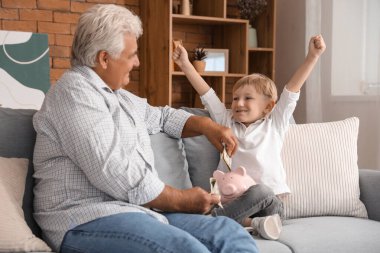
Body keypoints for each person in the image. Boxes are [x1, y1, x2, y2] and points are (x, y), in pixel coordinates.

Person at [32, 4, 259, 253]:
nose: (137, 63)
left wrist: (206, 126)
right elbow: (114, 171)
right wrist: (181, 199)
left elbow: (161, 117)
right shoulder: (74, 93)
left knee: (229, 233)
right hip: (84, 220)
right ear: (104, 58)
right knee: (187, 249)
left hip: (138, 212)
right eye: (131, 55)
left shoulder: (120, 97)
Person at [173, 34, 326, 240]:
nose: (238, 103)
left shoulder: (275, 123)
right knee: (214, 198)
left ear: (268, 107)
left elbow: (291, 91)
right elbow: (206, 93)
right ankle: (254, 225)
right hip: (231, 202)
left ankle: (211, 222)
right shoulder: (226, 121)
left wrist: (312, 57)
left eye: (248, 98)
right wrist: (184, 63)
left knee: (260, 191)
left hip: (268, 205)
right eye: (235, 98)